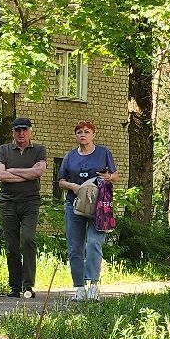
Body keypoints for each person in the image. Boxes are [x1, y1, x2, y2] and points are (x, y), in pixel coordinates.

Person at [56, 120, 116, 301]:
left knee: (93, 243)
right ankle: (79, 288)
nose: (83, 134)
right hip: (74, 205)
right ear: (76, 136)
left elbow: (115, 176)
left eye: (87, 131)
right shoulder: (70, 156)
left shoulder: (103, 153)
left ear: (93, 135)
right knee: (75, 247)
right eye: (79, 132)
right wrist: (73, 186)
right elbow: (60, 181)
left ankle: (93, 286)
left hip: (99, 206)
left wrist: (109, 177)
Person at [0, 116, 46, 299]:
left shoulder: (39, 150)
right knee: (11, 245)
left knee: (29, 239)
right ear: (13, 132)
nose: (21, 133)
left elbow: (38, 172)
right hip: (8, 202)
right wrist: (27, 174)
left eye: (24, 130)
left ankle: (28, 285)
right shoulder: (4, 150)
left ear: (31, 131)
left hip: (30, 201)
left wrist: (12, 171)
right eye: (17, 130)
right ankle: (15, 287)